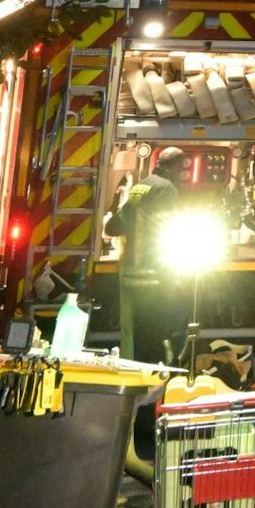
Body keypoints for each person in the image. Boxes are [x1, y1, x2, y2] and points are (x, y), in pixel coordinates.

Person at [105, 148, 183, 364]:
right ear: (177, 167)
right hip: (154, 277)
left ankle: (133, 374)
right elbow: (169, 229)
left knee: (133, 335)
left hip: (130, 272)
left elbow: (114, 226)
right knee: (157, 337)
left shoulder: (142, 185)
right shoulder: (167, 189)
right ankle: (155, 384)